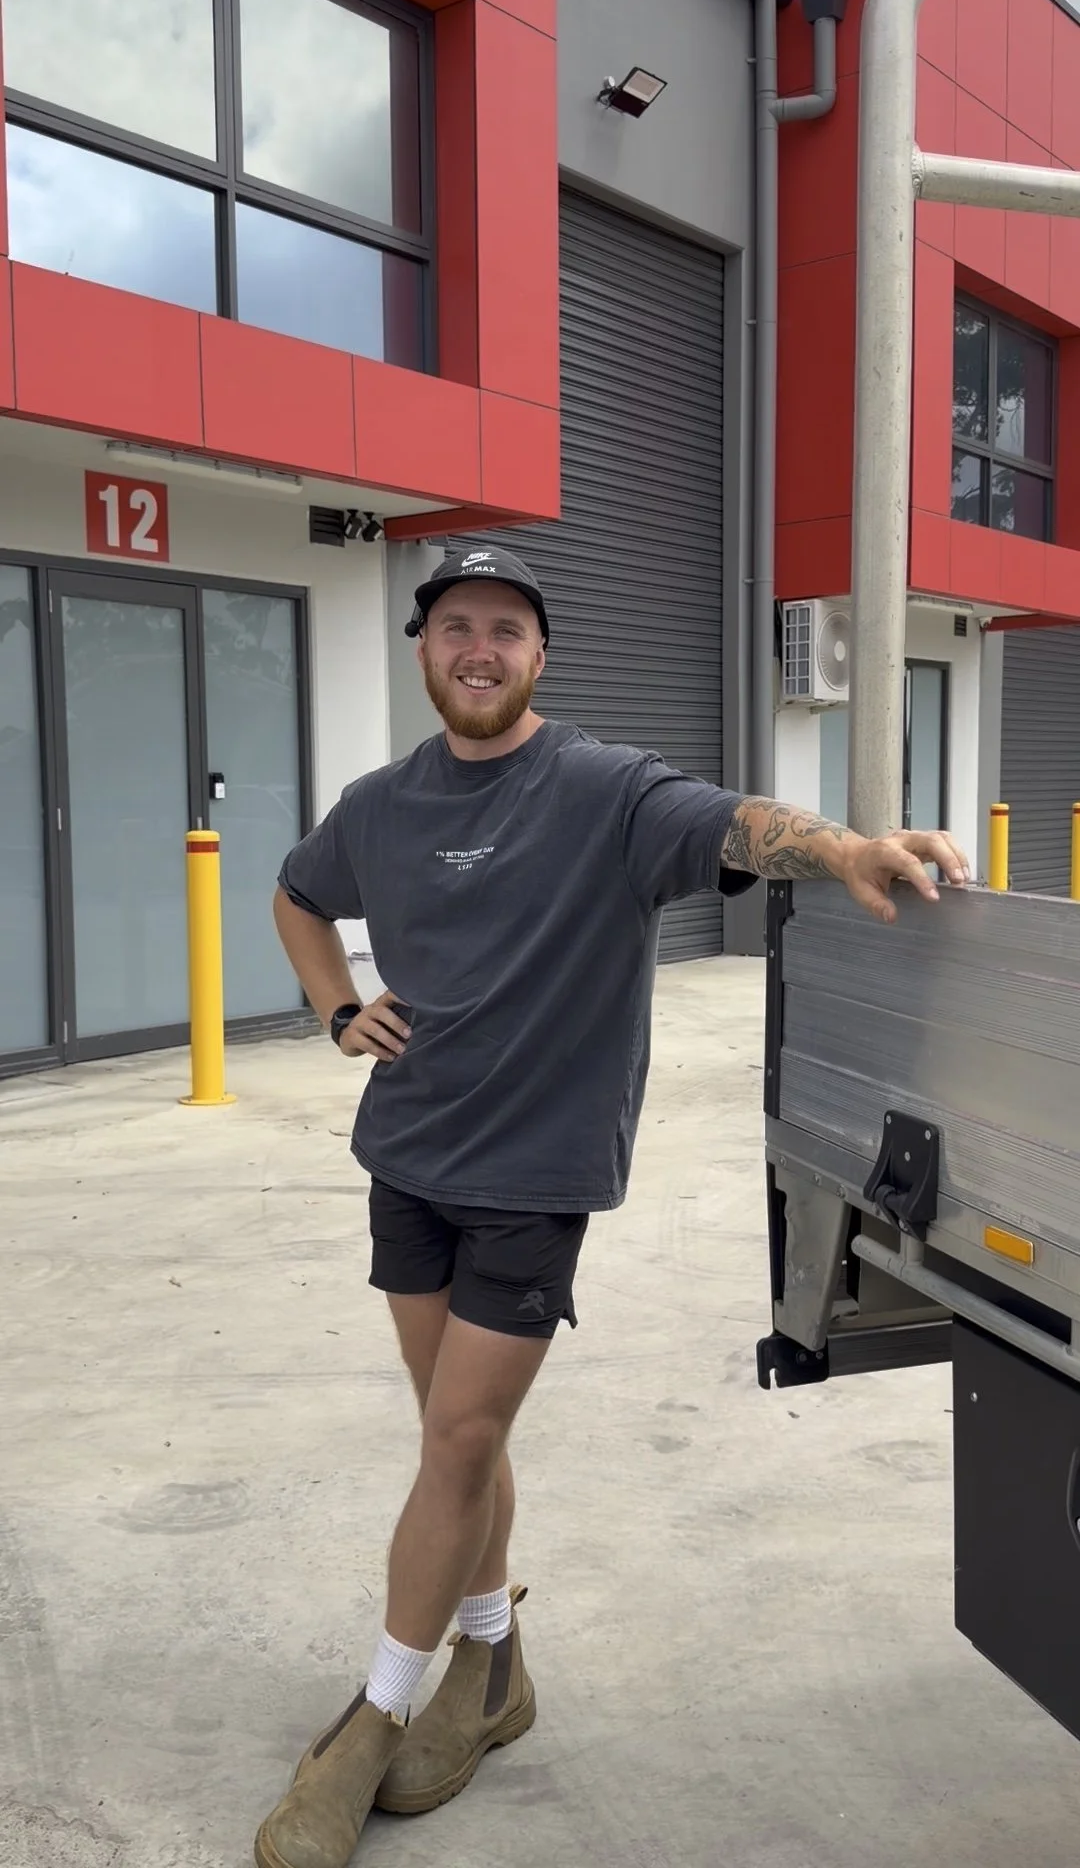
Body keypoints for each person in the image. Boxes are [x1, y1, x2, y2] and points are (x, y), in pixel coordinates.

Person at [256, 546, 969, 1868]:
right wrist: (339, 1007)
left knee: (460, 1436)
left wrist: (852, 847)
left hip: (535, 1174)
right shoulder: (379, 805)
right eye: (455, 627)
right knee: (450, 1435)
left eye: (507, 630)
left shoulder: (600, 789)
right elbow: (300, 893)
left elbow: (740, 823)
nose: (480, 649)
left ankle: (378, 1712)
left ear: (539, 655)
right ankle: (495, 1661)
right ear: (423, 652)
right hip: (406, 1154)